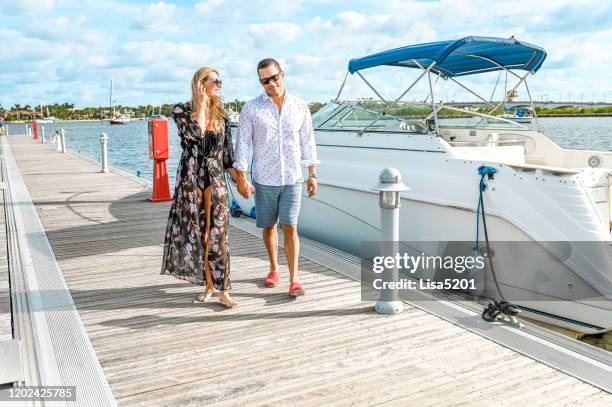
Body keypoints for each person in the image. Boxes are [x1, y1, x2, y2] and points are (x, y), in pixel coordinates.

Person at [233, 58, 319, 297]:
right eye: (265, 81)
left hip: (293, 177)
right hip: (264, 177)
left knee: (290, 226)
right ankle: (273, 268)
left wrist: (312, 173)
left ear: (283, 74)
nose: (271, 83)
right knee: (269, 226)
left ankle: (295, 279)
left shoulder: (300, 106)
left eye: (274, 77)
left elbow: (308, 142)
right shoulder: (251, 108)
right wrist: (241, 177)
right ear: (261, 82)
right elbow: (243, 145)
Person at [161, 66, 239, 308]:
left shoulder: (223, 116)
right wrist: (202, 104)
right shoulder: (181, 110)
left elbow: (227, 157)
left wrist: (243, 181)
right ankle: (208, 285)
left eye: (220, 81)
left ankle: (224, 289)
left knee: (219, 236)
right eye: (215, 81)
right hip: (192, 179)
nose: (219, 85)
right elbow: (195, 133)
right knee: (201, 236)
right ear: (200, 83)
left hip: (215, 178)